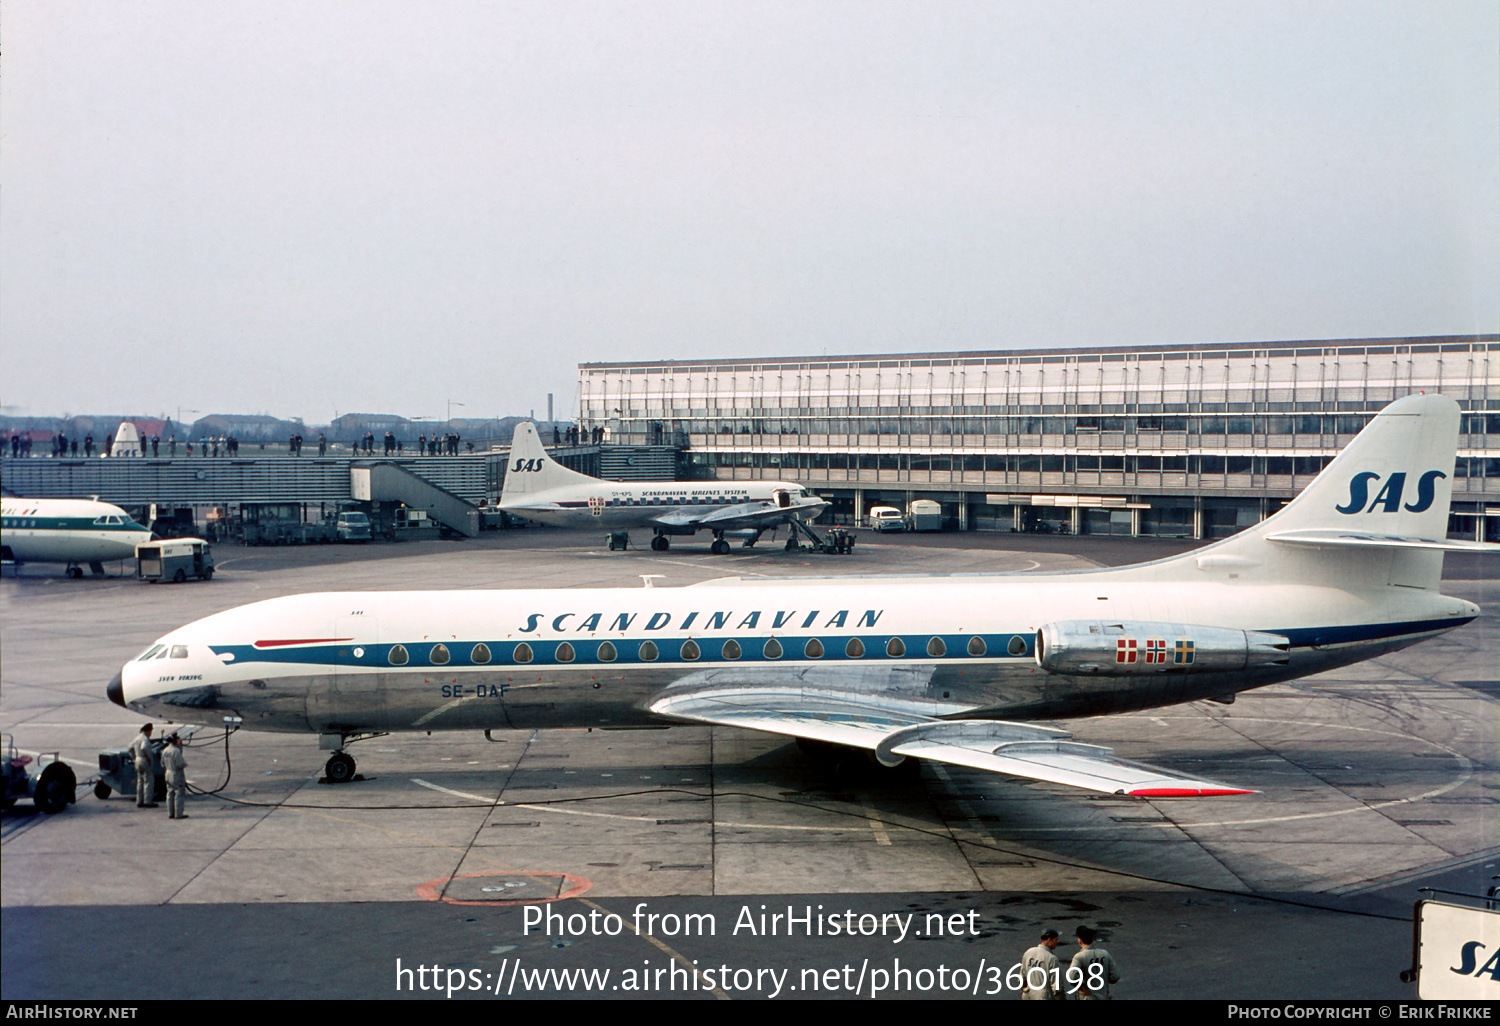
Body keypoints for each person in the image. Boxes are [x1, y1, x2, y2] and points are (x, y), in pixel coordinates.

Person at [1069, 925, 1120, 1000]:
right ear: (1093, 939)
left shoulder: (1079, 957)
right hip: (1104, 996)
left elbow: (1072, 977)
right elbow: (1115, 976)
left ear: (1079, 940)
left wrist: (1081, 987)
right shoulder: (1105, 954)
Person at [1020, 929, 1065, 1000]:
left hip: (1028, 995)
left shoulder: (1028, 952)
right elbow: (1057, 986)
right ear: (1049, 940)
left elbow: (1022, 978)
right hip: (1043, 997)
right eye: (1056, 939)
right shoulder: (1051, 958)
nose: (1057, 942)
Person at [129, 723, 157, 808]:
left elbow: (130, 748)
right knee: (148, 780)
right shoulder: (145, 739)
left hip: (137, 759)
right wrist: (148, 757)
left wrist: (134, 757)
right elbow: (144, 747)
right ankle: (148, 801)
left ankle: (139, 800)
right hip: (144, 760)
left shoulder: (137, 738)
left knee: (140, 781)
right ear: (148, 731)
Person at [162, 734, 189, 819]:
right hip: (176, 774)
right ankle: (178, 814)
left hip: (168, 773)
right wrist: (185, 764)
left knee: (170, 793)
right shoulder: (176, 751)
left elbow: (162, 764)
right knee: (179, 794)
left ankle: (170, 813)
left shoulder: (165, 750)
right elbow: (180, 764)